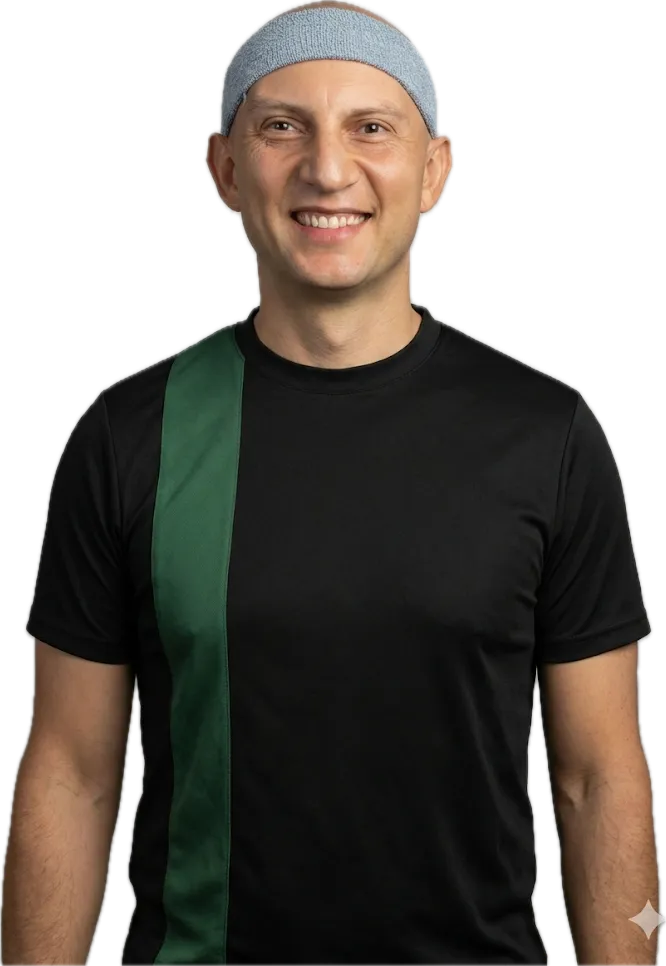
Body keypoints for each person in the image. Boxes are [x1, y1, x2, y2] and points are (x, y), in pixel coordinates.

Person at [2, 1, 658, 964]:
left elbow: (599, 777)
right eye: (283, 126)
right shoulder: (132, 435)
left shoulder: (545, 434)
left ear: (434, 169)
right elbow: (70, 771)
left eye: (371, 127)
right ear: (225, 167)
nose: (328, 168)